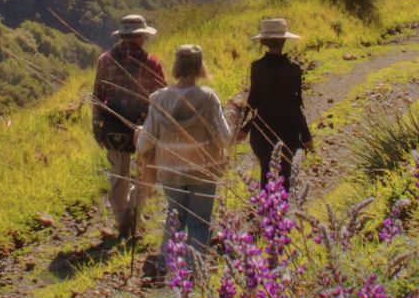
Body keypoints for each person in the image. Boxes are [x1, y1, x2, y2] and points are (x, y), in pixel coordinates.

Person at [136, 44, 235, 275]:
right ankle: (196, 275)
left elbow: (144, 144)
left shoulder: (159, 100)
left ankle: (166, 268)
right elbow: (224, 139)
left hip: (171, 172)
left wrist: (139, 134)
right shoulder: (209, 99)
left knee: (175, 218)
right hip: (203, 172)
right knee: (199, 222)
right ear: (200, 67)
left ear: (176, 67)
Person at [92, 14, 165, 239]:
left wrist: (97, 126)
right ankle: (134, 215)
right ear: (142, 37)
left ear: (122, 36)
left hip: (113, 125)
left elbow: (97, 97)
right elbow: (162, 97)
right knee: (145, 173)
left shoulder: (105, 60)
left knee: (119, 174)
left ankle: (122, 219)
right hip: (144, 125)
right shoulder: (152, 63)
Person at [245, 18, 313, 188]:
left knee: (266, 170)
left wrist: (243, 129)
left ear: (264, 42)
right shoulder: (294, 68)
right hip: (288, 129)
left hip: (262, 130)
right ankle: (280, 211)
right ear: (284, 41)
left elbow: (253, 101)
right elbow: (296, 104)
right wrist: (306, 136)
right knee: (285, 173)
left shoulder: (257, 67)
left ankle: (266, 209)